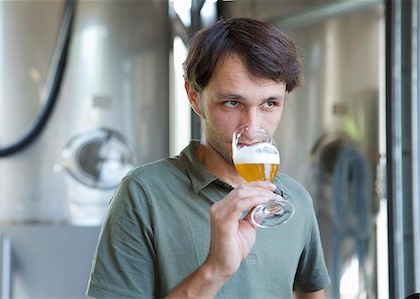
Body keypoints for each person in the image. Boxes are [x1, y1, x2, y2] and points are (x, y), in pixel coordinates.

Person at [86, 17, 330, 298]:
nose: (252, 126)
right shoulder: (144, 194)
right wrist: (214, 271)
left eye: (269, 104)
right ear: (194, 98)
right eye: (232, 103)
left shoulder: (295, 198)